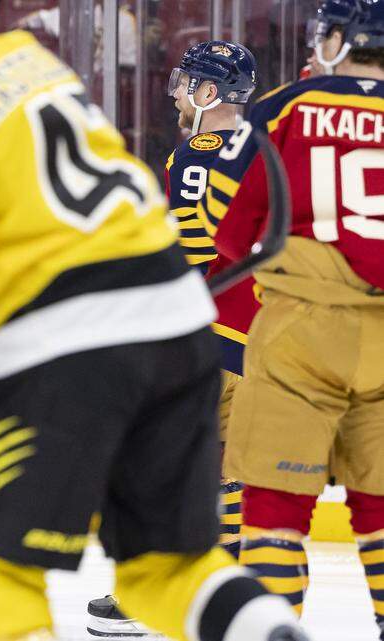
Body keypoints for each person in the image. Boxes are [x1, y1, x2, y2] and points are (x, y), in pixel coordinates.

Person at [0, 2, 310, 641]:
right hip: (181, 328)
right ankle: (268, 631)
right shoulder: (23, 58)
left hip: (72, 340)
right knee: (165, 574)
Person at [207, 0, 384, 633]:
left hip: (301, 328)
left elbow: (234, 238)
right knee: (380, 503)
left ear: (341, 39)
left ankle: (272, 629)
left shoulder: (285, 107)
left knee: (274, 503)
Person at [86, 39, 260, 638]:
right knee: (226, 469)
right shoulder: (265, 149)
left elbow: (188, 255)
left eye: (189, 83)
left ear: (210, 93)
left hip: (201, 336)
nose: (179, 93)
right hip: (256, 336)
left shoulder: (194, 156)